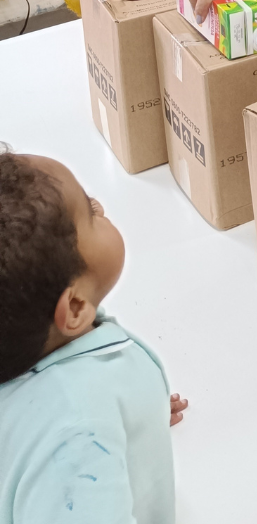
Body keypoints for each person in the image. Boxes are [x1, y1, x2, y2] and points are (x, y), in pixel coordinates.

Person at [0, 150, 186, 523]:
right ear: (74, 308)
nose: (100, 206)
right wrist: (93, 425)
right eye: (89, 213)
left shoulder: (25, 337)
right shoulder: (77, 438)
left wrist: (133, 414)